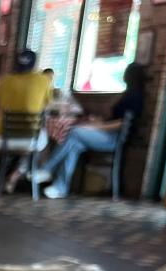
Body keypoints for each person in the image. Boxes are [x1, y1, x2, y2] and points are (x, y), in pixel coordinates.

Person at [35, 63, 146, 199]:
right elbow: (114, 118)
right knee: (74, 144)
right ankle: (60, 188)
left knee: (74, 131)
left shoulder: (135, 97)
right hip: (108, 134)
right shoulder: (129, 94)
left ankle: (47, 169)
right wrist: (98, 121)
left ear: (130, 76)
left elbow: (121, 123)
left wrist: (96, 127)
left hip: (114, 139)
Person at [0, 50, 51, 193]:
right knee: (39, 144)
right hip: (29, 140)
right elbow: (46, 105)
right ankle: (14, 177)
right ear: (34, 65)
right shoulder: (44, 80)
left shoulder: (6, 80)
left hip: (3, 139)